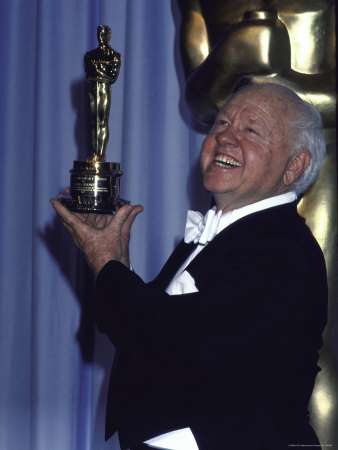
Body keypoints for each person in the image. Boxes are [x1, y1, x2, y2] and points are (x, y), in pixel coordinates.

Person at [51, 83, 328, 450]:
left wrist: (106, 264)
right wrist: (115, 260)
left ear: (295, 166)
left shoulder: (282, 249)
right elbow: (158, 334)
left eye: (250, 129)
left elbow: (180, 341)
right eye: (221, 123)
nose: (226, 137)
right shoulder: (226, 235)